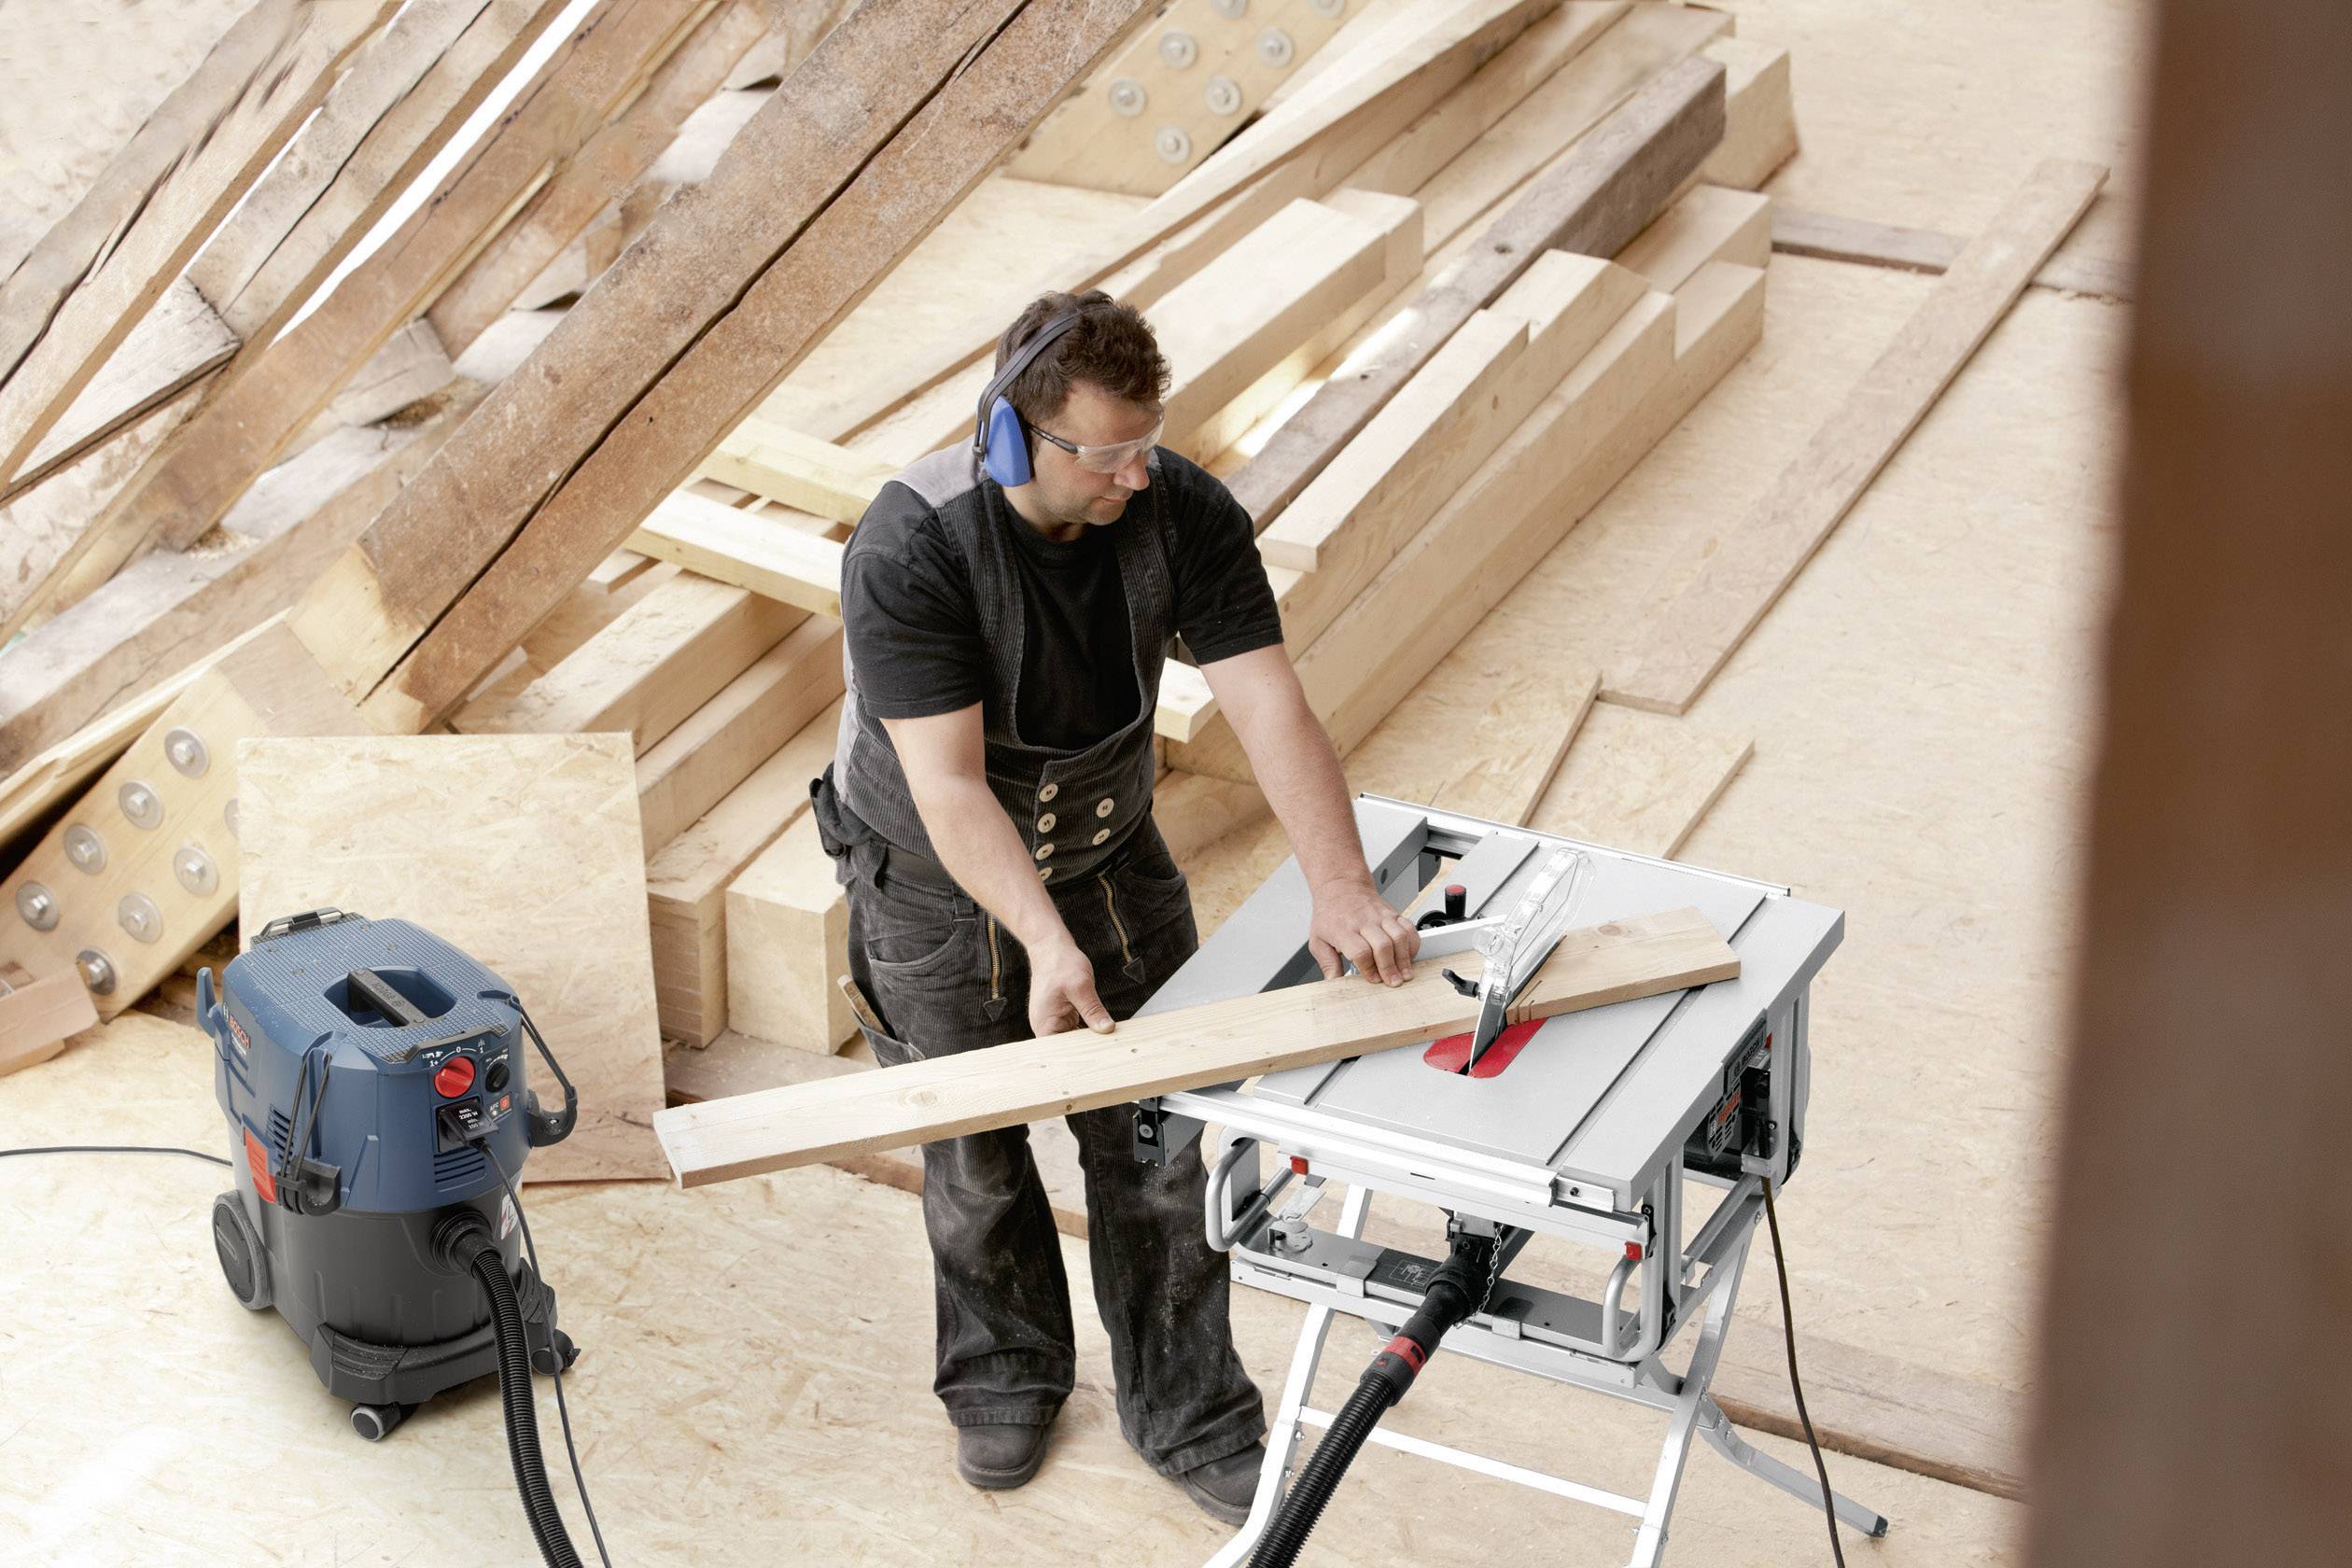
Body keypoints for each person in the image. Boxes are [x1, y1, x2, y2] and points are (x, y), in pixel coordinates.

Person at [809, 288, 1421, 1523]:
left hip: (1112, 862)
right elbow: (949, 786)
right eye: (1107, 454)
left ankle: (1187, 1408)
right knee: (975, 1158)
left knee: (1158, 1144)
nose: (1137, 476)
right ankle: (1003, 1380)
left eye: (1149, 443)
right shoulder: (912, 546)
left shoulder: (1174, 505)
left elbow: (1265, 702)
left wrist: (1341, 883)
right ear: (1011, 436)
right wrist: (1041, 942)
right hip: (939, 888)